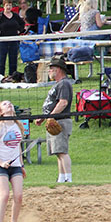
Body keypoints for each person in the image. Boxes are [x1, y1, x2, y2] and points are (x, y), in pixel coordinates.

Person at [35, 55, 73, 183]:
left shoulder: (64, 84)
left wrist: (51, 116)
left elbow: (63, 102)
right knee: (58, 152)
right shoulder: (58, 84)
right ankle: (61, 178)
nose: (49, 71)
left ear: (58, 69)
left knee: (62, 151)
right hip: (54, 119)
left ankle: (68, 178)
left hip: (60, 120)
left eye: (51, 68)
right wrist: (44, 117)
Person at [0, 100, 25, 222]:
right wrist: (1, 162)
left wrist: (21, 165)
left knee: (18, 195)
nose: (8, 104)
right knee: (4, 194)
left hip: (15, 165)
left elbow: (18, 147)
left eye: (10, 103)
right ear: (1, 111)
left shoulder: (17, 125)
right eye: (4, 104)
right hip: (1, 165)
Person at [0, 0, 23, 77]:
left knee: (13, 61)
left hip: (14, 41)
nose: (8, 7)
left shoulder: (15, 16)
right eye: (7, 5)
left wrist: (19, 31)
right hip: (2, 42)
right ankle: (1, 77)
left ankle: (12, 76)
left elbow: (22, 24)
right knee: (1, 61)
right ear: (3, 6)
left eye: (10, 5)